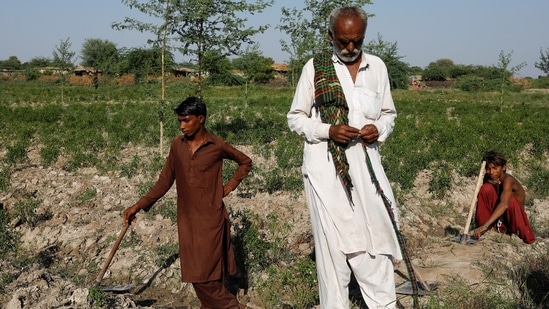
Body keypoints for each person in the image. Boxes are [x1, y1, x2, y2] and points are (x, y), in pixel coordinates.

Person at [287, 6, 401, 309]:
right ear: (330, 37)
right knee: (332, 253)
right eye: (343, 42)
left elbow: (389, 114)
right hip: (325, 173)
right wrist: (328, 130)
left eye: (357, 41)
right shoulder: (315, 68)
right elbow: (296, 118)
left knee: (376, 241)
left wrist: (377, 128)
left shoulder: (377, 67)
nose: (350, 48)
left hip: (367, 168)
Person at [123, 96, 252, 308]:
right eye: (180, 121)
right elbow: (164, 181)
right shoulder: (177, 146)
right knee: (204, 273)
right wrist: (138, 205)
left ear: (201, 119)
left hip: (212, 218)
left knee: (203, 276)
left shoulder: (216, 145)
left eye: (186, 120)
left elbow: (245, 162)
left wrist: (229, 187)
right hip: (187, 219)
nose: (182, 126)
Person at [472, 150, 535, 244]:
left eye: (495, 168)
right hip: (498, 218)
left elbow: (504, 204)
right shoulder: (488, 176)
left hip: (513, 220)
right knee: (486, 188)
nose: (491, 172)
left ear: (504, 168)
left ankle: (524, 237)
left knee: (511, 201)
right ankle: (485, 230)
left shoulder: (508, 181)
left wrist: (485, 226)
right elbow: (486, 201)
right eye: (488, 169)